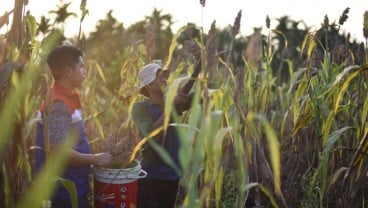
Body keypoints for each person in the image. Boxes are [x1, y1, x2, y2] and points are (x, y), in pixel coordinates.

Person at [34, 45, 112, 208]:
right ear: (68, 71)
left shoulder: (66, 98)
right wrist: (94, 159)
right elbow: (58, 151)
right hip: (64, 193)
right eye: (81, 66)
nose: (85, 71)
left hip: (75, 187)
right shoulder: (58, 104)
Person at [132, 60, 201, 208]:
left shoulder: (173, 102)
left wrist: (202, 61)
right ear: (149, 85)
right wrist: (171, 106)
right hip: (151, 175)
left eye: (164, 76)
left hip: (172, 174)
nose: (164, 79)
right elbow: (151, 133)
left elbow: (200, 94)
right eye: (159, 77)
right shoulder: (140, 108)